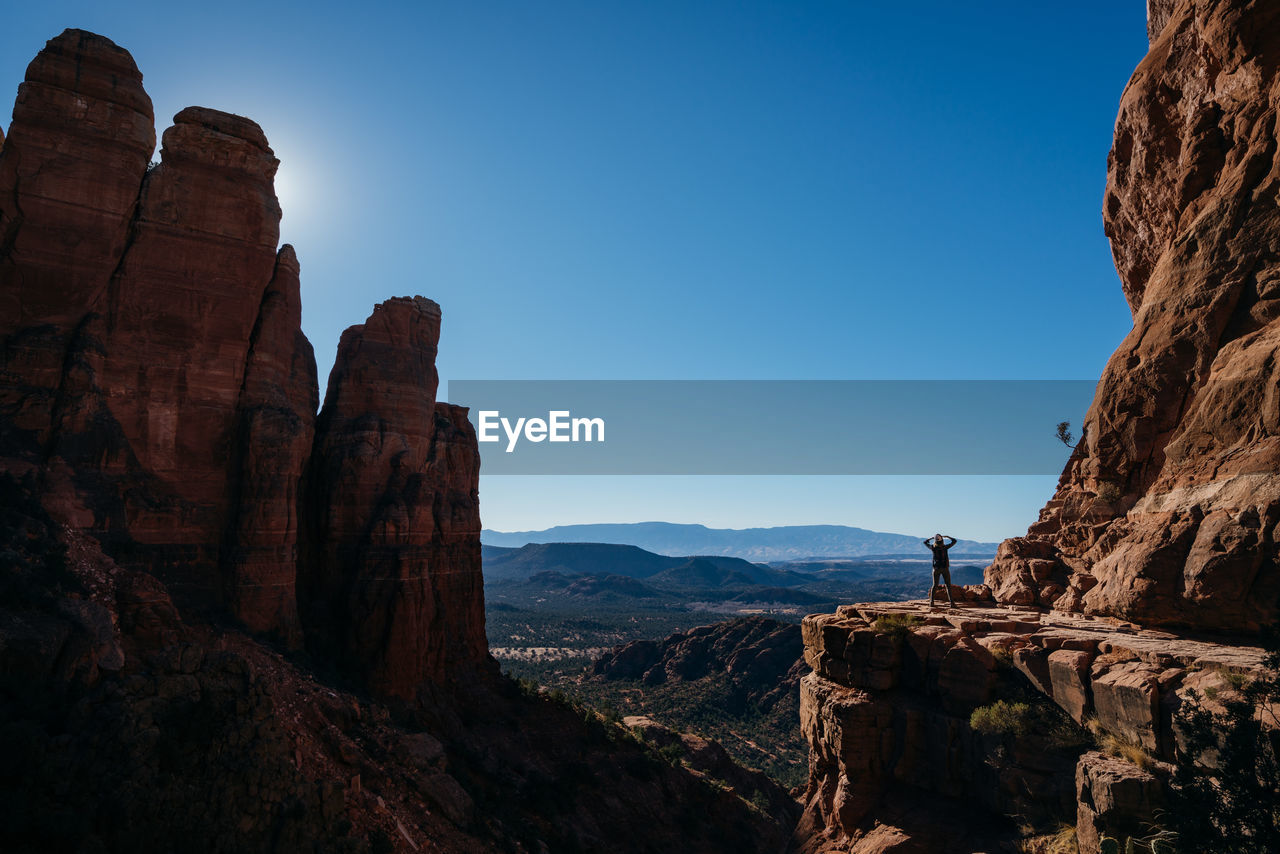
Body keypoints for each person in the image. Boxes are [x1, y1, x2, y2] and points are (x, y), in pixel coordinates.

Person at [924, 533, 957, 608]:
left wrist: (931, 538)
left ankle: (931, 603)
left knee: (934, 585)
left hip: (936, 569)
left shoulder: (933, 547)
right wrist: (948, 536)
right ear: (942, 540)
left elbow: (925, 542)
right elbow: (954, 541)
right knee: (948, 585)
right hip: (945, 568)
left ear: (935, 541)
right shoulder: (945, 547)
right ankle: (952, 603)